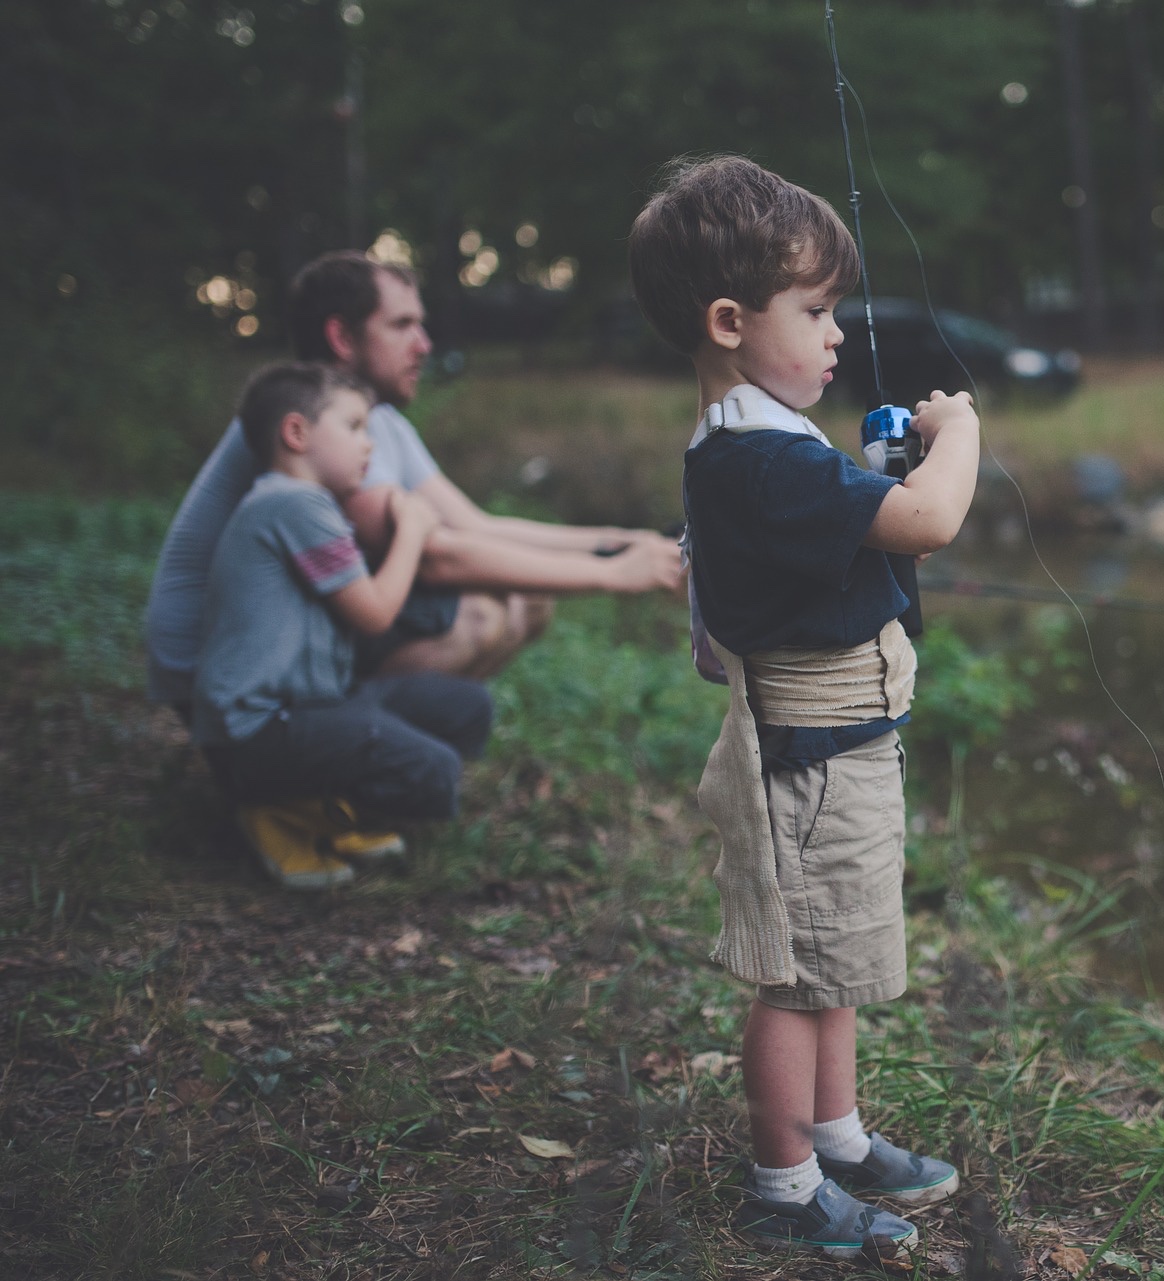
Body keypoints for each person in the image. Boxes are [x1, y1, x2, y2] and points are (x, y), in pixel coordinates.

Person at [628, 155, 981, 1257]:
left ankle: (836, 1134)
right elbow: (925, 524)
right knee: (794, 980)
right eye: (818, 310)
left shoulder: (766, 444)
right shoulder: (757, 459)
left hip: (845, 746)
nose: (837, 333)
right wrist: (957, 436)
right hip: (814, 760)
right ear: (730, 320)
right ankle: (784, 1188)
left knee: (834, 962)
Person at [144, 249, 685, 709]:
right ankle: (335, 772)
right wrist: (618, 576)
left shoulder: (372, 420)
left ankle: (385, 760)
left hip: (286, 642)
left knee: (527, 598)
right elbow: (437, 555)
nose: (424, 345)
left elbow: (475, 524)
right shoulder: (317, 434)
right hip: (217, 674)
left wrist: (617, 542)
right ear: (341, 336)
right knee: (481, 613)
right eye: (401, 325)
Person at [194, 362, 493, 889]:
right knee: (435, 771)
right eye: (354, 428)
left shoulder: (303, 504)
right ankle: (276, 810)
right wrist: (414, 529)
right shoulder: (293, 503)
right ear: (296, 433)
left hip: (310, 708)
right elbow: (376, 612)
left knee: (468, 708)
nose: (369, 446)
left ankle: (316, 805)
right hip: (257, 734)